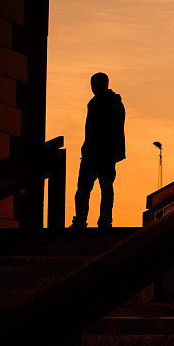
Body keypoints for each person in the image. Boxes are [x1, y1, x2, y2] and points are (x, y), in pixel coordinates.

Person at [70, 72, 125, 229]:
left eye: (95, 84)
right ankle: (84, 219)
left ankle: (101, 220)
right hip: (93, 153)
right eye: (92, 85)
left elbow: (116, 129)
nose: (93, 88)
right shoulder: (94, 103)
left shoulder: (112, 103)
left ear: (104, 84)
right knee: (85, 189)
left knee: (103, 188)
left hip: (104, 153)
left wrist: (115, 152)